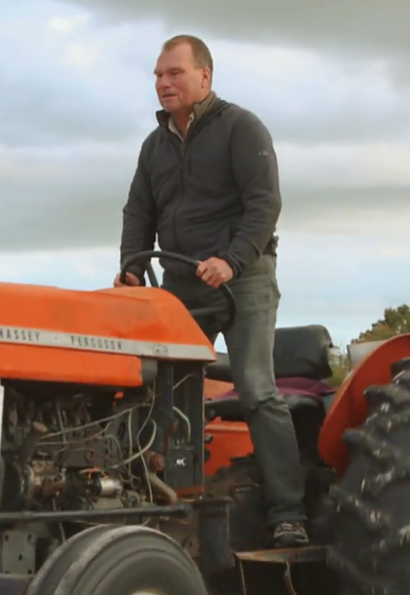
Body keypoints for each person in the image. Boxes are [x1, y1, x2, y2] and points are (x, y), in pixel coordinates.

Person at [114, 34, 309, 548]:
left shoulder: (241, 129)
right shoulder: (154, 146)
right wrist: (132, 266)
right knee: (161, 388)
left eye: (174, 73)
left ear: (205, 77)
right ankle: (165, 500)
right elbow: (139, 212)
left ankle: (289, 512)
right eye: (158, 75)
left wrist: (232, 259)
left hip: (242, 280)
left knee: (254, 387)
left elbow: (264, 203)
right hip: (181, 284)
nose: (163, 83)